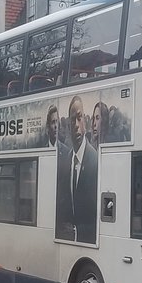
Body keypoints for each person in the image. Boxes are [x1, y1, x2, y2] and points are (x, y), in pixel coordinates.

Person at [55, 95, 98, 243]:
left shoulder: (95, 160)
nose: (76, 125)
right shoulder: (64, 160)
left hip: (89, 242)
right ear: (68, 126)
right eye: (72, 120)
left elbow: (100, 214)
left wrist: (76, 231)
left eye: (79, 118)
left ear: (85, 121)